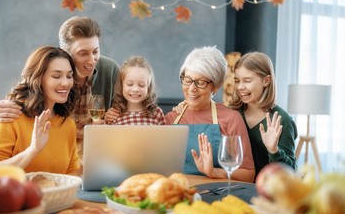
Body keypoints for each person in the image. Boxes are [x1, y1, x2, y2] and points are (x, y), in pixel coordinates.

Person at [0, 16, 120, 162]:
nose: (92, 60)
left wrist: (111, 119)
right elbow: (23, 97)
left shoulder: (109, 70)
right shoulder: (48, 72)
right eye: (83, 53)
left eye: (95, 51)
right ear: (65, 52)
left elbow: (128, 107)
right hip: (54, 151)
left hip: (92, 153)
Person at [0, 46, 79, 175]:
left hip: (55, 196)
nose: (65, 83)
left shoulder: (67, 123)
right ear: (37, 79)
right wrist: (33, 150)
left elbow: (72, 170)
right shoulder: (11, 115)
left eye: (69, 76)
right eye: (56, 76)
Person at [165, 46, 255, 182]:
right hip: (176, 192)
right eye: (188, 80)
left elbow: (248, 174)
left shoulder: (231, 118)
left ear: (216, 86)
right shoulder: (170, 118)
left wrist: (214, 172)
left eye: (200, 83)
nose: (192, 89)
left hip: (213, 194)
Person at [229, 51, 297, 178]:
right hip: (235, 186)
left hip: (267, 193)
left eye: (247, 81)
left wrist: (274, 150)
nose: (240, 87)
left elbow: (290, 172)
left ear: (266, 81)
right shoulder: (233, 113)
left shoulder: (282, 120)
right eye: (237, 81)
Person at [107, 56, 165, 125]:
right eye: (130, 84)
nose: (135, 89)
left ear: (148, 87)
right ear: (121, 86)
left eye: (141, 85)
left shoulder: (157, 113)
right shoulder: (114, 115)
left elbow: (164, 135)